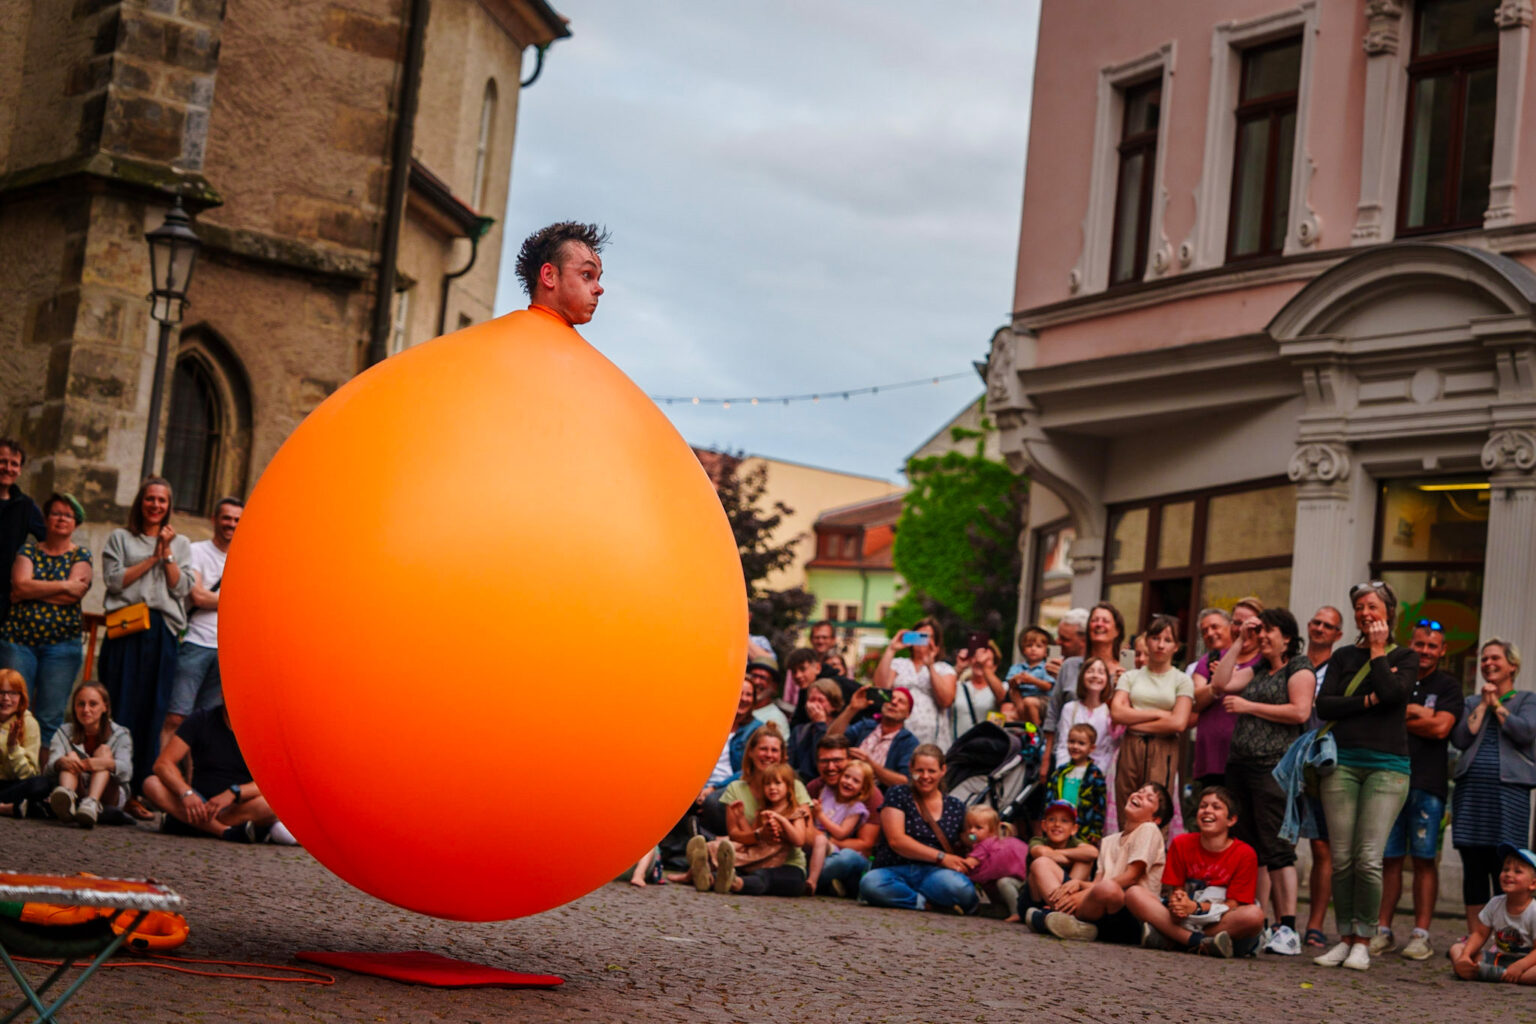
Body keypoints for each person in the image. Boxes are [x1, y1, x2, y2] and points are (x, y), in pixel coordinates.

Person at [1312, 580, 1416, 972]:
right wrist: (1367, 700)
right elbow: (1325, 705)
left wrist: (1376, 651)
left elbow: (1393, 695)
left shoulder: (1404, 656)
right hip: (1341, 764)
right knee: (1342, 859)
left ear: (1388, 612)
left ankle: (1364, 939)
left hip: (1388, 768)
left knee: (1369, 858)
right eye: (1358, 607)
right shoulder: (1340, 657)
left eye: (1371, 606)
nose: (1364, 613)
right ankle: (1344, 937)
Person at [1217, 607, 1314, 956]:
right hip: (1241, 766)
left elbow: (1300, 711)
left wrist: (1249, 707)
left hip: (1274, 769)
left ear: (1286, 636)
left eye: (1266, 631)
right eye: (1259, 633)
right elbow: (1220, 684)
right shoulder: (1257, 667)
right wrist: (1239, 642)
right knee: (1250, 847)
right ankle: (1257, 919)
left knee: (1277, 848)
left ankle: (1287, 927)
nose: (1262, 637)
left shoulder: (1299, 667)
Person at [1374, 619, 1463, 960]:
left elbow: (1441, 728)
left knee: (1425, 860)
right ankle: (1383, 930)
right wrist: (1418, 713)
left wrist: (1405, 712)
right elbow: (1379, 720)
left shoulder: (1450, 687)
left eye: (1432, 646)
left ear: (1442, 651)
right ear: (1410, 645)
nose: (1424, 651)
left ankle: (1421, 935)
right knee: (1389, 859)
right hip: (1388, 780)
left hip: (1428, 784)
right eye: (1420, 644)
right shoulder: (1395, 676)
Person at [99, 476, 192, 802]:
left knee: (152, 712)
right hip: (126, 630)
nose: (155, 505)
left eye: (162, 501)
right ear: (141, 502)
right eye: (150, 499)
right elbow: (113, 582)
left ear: (168, 506)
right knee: (120, 707)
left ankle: (138, 792)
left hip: (161, 633)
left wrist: (166, 554)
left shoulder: (180, 545)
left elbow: (181, 589)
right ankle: (110, 789)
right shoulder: (121, 538)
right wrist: (152, 556)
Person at [1451, 639, 1536, 935]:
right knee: (1473, 866)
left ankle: (1507, 937)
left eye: (1495, 658)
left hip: (1509, 796)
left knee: (1506, 866)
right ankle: (1475, 938)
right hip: (1472, 794)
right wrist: (1484, 704)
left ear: (1512, 665)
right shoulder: (1472, 702)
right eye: (1484, 659)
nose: (1488, 663)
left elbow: (1524, 733)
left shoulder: (1527, 700)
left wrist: (1497, 704)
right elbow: (1461, 739)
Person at [1128, 786, 1263, 958]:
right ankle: (1197, 942)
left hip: (1219, 921)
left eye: (1216, 807)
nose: (1207, 811)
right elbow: (1176, 889)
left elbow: (1233, 905)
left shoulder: (1245, 854)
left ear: (1231, 820)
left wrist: (1196, 908)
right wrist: (1178, 903)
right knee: (1134, 894)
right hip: (1185, 919)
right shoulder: (1181, 843)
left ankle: (1173, 939)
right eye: (1203, 806)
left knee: (1254, 915)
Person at [0, 493, 91, 745]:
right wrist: (64, 585)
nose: (61, 518)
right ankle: (9, 776)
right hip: (18, 642)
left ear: (76, 522)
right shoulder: (27, 550)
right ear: (46, 519)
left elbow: (72, 597)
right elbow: (18, 587)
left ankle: (40, 779)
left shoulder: (81, 556)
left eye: (67, 515)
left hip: (61, 647)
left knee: (49, 718)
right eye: (55, 513)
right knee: (11, 711)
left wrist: (31, 589)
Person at [1034, 783, 1171, 944]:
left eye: (1149, 798)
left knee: (1108, 889)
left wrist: (1082, 894)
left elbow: (1132, 877)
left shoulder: (1149, 829)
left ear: (1155, 819)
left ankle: (1060, 917)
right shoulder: (1108, 841)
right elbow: (1097, 884)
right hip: (1099, 905)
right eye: (1140, 791)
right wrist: (1079, 884)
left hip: (1128, 912)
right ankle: (1072, 920)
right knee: (1041, 863)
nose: (1140, 795)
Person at [141, 703, 292, 844]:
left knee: (279, 801)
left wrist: (234, 792)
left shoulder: (264, 727)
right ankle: (224, 831)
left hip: (237, 807)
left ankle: (185, 823)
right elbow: (163, 764)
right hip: (199, 802)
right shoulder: (202, 719)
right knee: (151, 783)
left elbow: (272, 782)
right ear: (221, 693)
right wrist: (186, 793)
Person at [160, 497, 241, 754]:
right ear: (214, 519)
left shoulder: (247, 555)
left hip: (228, 650)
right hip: (196, 642)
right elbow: (197, 596)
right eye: (227, 518)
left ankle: (194, 785)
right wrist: (236, 600)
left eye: (237, 520)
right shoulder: (197, 551)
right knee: (176, 717)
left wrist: (216, 599)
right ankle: (162, 778)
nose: (231, 524)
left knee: (208, 724)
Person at [858, 744, 977, 913]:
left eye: (931, 771)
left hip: (935, 874)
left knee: (961, 889)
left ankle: (906, 898)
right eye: (919, 770)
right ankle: (925, 904)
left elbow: (967, 839)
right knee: (871, 883)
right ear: (910, 768)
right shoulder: (898, 794)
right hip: (894, 870)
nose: (925, 776)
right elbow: (896, 841)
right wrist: (941, 857)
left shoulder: (955, 806)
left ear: (943, 770)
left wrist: (977, 838)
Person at [1109, 614, 1192, 824]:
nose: (1161, 645)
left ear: (1176, 646)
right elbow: (1117, 713)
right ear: (1147, 641)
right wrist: (1158, 714)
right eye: (1156, 638)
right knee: (1126, 803)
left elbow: (1178, 723)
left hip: (1164, 747)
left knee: (1157, 807)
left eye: (1168, 640)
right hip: (1131, 744)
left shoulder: (1182, 680)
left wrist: (1133, 719)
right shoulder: (1131, 676)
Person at [699, 762, 810, 896]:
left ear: (789, 787)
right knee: (731, 857)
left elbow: (799, 840)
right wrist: (740, 817)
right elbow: (752, 836)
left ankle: (734, 883)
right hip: (757, 857)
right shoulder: (762, 812)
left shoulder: (795, 812)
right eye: (767, 784)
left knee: (760, 876)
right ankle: (709, 878)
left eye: (777, 783)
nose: (772, 788)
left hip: (776, 861)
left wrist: (781, 820)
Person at [1301, 604, 1344, 949]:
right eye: (1316, 622)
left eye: (1327, 625)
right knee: (1278, 844)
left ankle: (1315, 923)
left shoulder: (1340, 671)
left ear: (1337, 635)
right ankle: (1279, 920)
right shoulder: (1294, 664)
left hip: (1322, 763)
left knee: (1321, 845)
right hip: (1286, 759)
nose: (1320, 628)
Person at [1190, 601, 1263, 794]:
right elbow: (1195, 700)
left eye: (1248, 623)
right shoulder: (1212, 658)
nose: (1242, 628)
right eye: (1237, 623)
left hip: (1250, 757)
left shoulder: (1265, 659)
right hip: (1212, 756)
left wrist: (1231, 681)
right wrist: (1218, 683)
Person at [1041, 605, 1118, 781]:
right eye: (1094, 620)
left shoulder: (1123, 673)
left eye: (1105, 621)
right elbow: (1053, 714)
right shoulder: (1068, 666)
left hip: (1102, 770)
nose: (1099, 625)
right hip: (1065, 761)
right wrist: (1046, 760)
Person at [804, 735, 882, 896]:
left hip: (845, 856)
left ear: (849, 759)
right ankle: (826, 884)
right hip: (815, 850)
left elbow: (865, 845)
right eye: (824, 761)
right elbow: (804, 828)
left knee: (846, 858)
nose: (831, 767)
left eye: (837, 760)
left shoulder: (868, 795)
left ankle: (805, 880)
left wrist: (824, 838)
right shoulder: (818, 788)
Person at [45, 682, 131, 828]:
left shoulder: (121, 734)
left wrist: (103, 763)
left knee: (104, 752)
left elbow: (126, 772)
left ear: (105, 707)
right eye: (81, 704)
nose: (86, 710)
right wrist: (62, 762)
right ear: (74, 707)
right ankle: (68, 799)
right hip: (76, 786)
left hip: (108, 795)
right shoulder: (63, 732)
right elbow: (48, 769)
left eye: (93, 704)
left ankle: (91, 803)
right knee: (70, 756)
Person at [1450, 844, 1536, 983]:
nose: (1509, 874)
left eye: (1517, 871)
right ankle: (1493, 972)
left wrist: (1520, 966)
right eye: (1505, 869)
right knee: (1457, 948)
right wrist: (1465, 955)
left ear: (1533, 884)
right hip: (1498, 958)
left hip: (1527, 964)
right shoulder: (1495, 903)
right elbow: (1480, 934)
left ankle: (1490, 974)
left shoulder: (1534, 911)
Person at [1054, 656, 1121, 830]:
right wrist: (1064, 771)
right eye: (1090, 671)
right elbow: (1062, 744)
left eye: (1100, 672)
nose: (1095, 676)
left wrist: (1095, 775)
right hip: (1070, 775)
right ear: (1082, 676)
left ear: (1107, 679)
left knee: (1091, 822)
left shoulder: (1109, 711)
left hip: (1097, 777)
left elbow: (1109, 748)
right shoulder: (1070, 708)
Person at [872, 619, 955, 748]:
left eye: (928, 637)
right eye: (918, 636)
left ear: (936, 643)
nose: (922, 640)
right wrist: (891, 649)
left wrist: (930, 666)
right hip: (899, 731)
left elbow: (946, 701)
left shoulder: (944, 668)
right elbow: (881, 688)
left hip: (933, 737)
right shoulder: (899, 664)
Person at [515, 221, 607, 326]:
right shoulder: (572, 343)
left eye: (598, 279)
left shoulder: (494, 333)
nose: (599, 289)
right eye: (587, 275)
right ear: (549, 275)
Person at [826, 685, 919, 791]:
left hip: (877, 796)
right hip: (843, 785)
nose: (894, 702)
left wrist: (870, 764)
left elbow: (905, 781)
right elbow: (830, 740)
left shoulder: (909, 741)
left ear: (908, 714)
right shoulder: (866, 726)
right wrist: (852, 708)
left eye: (901, 701)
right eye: (891, 698)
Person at [0, 438, 44, 634]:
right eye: (2, 461)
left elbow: (50, 540)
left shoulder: (25, 506)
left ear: (19, 470)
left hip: (3, 596)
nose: (8, 468)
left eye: (14, 464)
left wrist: (29, 579)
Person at [961, 805, 1030, 922]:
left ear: (992, 830)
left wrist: (953, 864)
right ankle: (1003, 909)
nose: (972, 831)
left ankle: (1016, 912)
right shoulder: (995, 842)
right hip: (1023, 885)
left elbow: (970, 863)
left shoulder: (985, 845)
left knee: (1003, 882)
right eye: (969, 827)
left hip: (1020, 888)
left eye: (978, 828)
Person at [1026, 799, 1099, 908]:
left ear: (1074, 829)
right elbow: (1042, 853)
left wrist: (1058, 853)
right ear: (1044, 825)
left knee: (1085, 860)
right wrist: (1070, 859)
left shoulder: (1074, 843)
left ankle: (1063, 904)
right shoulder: (1038, 841)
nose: (1057, 824)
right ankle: (1063, 907)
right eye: (1051, 820)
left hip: (1066, 891)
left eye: (1064, 821)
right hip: (1035, 898)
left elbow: (1092, 852)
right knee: (1041, 862)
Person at [1047, 723, 1107, 844]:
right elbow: (1049, 798)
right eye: (1072, 742)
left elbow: (1100, 805)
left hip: (1083, 827)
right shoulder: (1060, 772)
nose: (1075, 746)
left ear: (1091, 748)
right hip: (1059, 826)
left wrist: (1095, 831)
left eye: (1081, 743)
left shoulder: (1095, 774)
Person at [0, 669, 41, 817]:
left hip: (13, 785)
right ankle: (10, 808)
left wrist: (12, 747)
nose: (6, 698)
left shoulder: (29, 723)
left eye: (12, 693)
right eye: (1, 692)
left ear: (21, 697)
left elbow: (28, 774)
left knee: (41, 784)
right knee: (39, 806)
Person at [951, 638, 1005, 739]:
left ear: (995, 666)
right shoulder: (959, 686)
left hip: (987, 748)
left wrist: (984, 667)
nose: (980, 661)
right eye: (976, 658)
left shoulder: (1003, 687)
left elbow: (1002, 698)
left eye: (987, 660)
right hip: (958, 748)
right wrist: (959, 667)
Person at [790, 678, 843, 781]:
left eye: (820, 700)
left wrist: (820, 725)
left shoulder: (842, 729)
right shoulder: (800, 730)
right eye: (811, 700)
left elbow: (819, 762)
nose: (814, 705)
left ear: (833, 705)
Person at [1003, 626, 1055, 725]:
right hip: (1022, 703)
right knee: (1005, 715)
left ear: (1046, 652)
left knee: (1029, 702)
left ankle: (1036, 730)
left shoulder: (1047, 667)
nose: (1033, 649)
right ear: (1023, 650)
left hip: (1042, 700)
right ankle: (1023, 729)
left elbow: (1048, 686)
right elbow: (1010, 684)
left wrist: (1032, 680)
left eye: (1038, 646)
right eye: (1029, 645)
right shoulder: (1017, 667)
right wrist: (1016, 679)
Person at [747, 662, 791, 738]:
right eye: (754, 676)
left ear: (774, 686)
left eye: (763, 677)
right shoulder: (738, 710)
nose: (756, 682)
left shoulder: (776, 718)